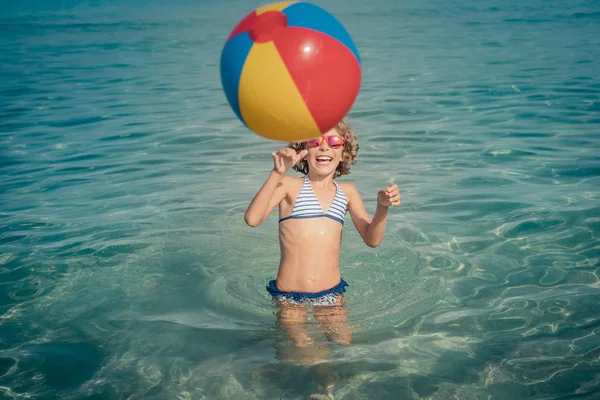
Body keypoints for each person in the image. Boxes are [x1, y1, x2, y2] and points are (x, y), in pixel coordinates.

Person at [245, 117, 400, 341]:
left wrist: (382, 208)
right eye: (315, 141)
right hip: (290, 298)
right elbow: (252, 219)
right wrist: (277, 172)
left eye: (334, 141)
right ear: (303, 149)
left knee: (344, 348)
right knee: (305, 352)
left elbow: (372, 239)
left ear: (344, 151)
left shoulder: (347, 192)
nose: (324, 146)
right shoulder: (289, 185)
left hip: (332, 295)